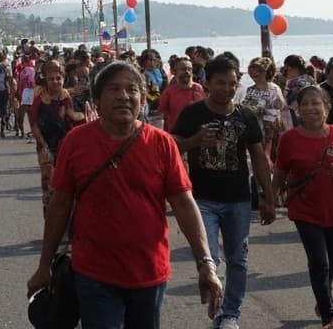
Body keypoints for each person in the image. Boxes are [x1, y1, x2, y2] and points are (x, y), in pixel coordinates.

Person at [26, 61, 222, 328]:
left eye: (132, 89)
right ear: (96, 100)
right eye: (114, 89)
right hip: (93, 272)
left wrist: (206, 263)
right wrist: (44, 266)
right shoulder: (76, 142)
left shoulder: (161, 143)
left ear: (142, 99)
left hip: (149, 273)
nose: (123, 96)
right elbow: (60, 205)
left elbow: (184, 203)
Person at [170, 56, 275, 329]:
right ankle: (217, 301)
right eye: (220, 83)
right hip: (202, 200)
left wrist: (268, 195)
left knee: (238, 259)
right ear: (207, 83)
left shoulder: (246, 115)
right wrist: (195, 140)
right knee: (211, 258)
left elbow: (259, 157)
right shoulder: (192, 114)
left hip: (238, 199)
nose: (226, 89)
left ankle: (230, 314)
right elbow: (171, 147)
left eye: (232, 83)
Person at [273, 85, 333, 329]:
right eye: (305, 104)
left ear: (327, 107)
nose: (311, 108)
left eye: (316, 103)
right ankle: (329, 315)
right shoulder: (289, 138)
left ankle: (323, 298)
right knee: (319, 262)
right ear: (298, 109)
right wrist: (270, 201)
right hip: (305, 209)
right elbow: (280, 172)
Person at [28, 59, 76, 214]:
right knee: (49, 182)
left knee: (67, 181)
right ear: (45, 80)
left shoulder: (66, 96)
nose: (55, 82)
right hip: (46, 143)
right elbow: (34, 125)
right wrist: (44, 145)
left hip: (65, 143)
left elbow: (71, 117)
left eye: (58, 78)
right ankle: (50, 216)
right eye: (51, 79)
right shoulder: (39, 98)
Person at [157, 55, 204, 132]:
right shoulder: (168, 92)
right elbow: (163, 115)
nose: (187, 72)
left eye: (189, 69)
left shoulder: (198, 88)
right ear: (175, 72)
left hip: (196, 134)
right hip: (176, 135)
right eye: (183, 69)